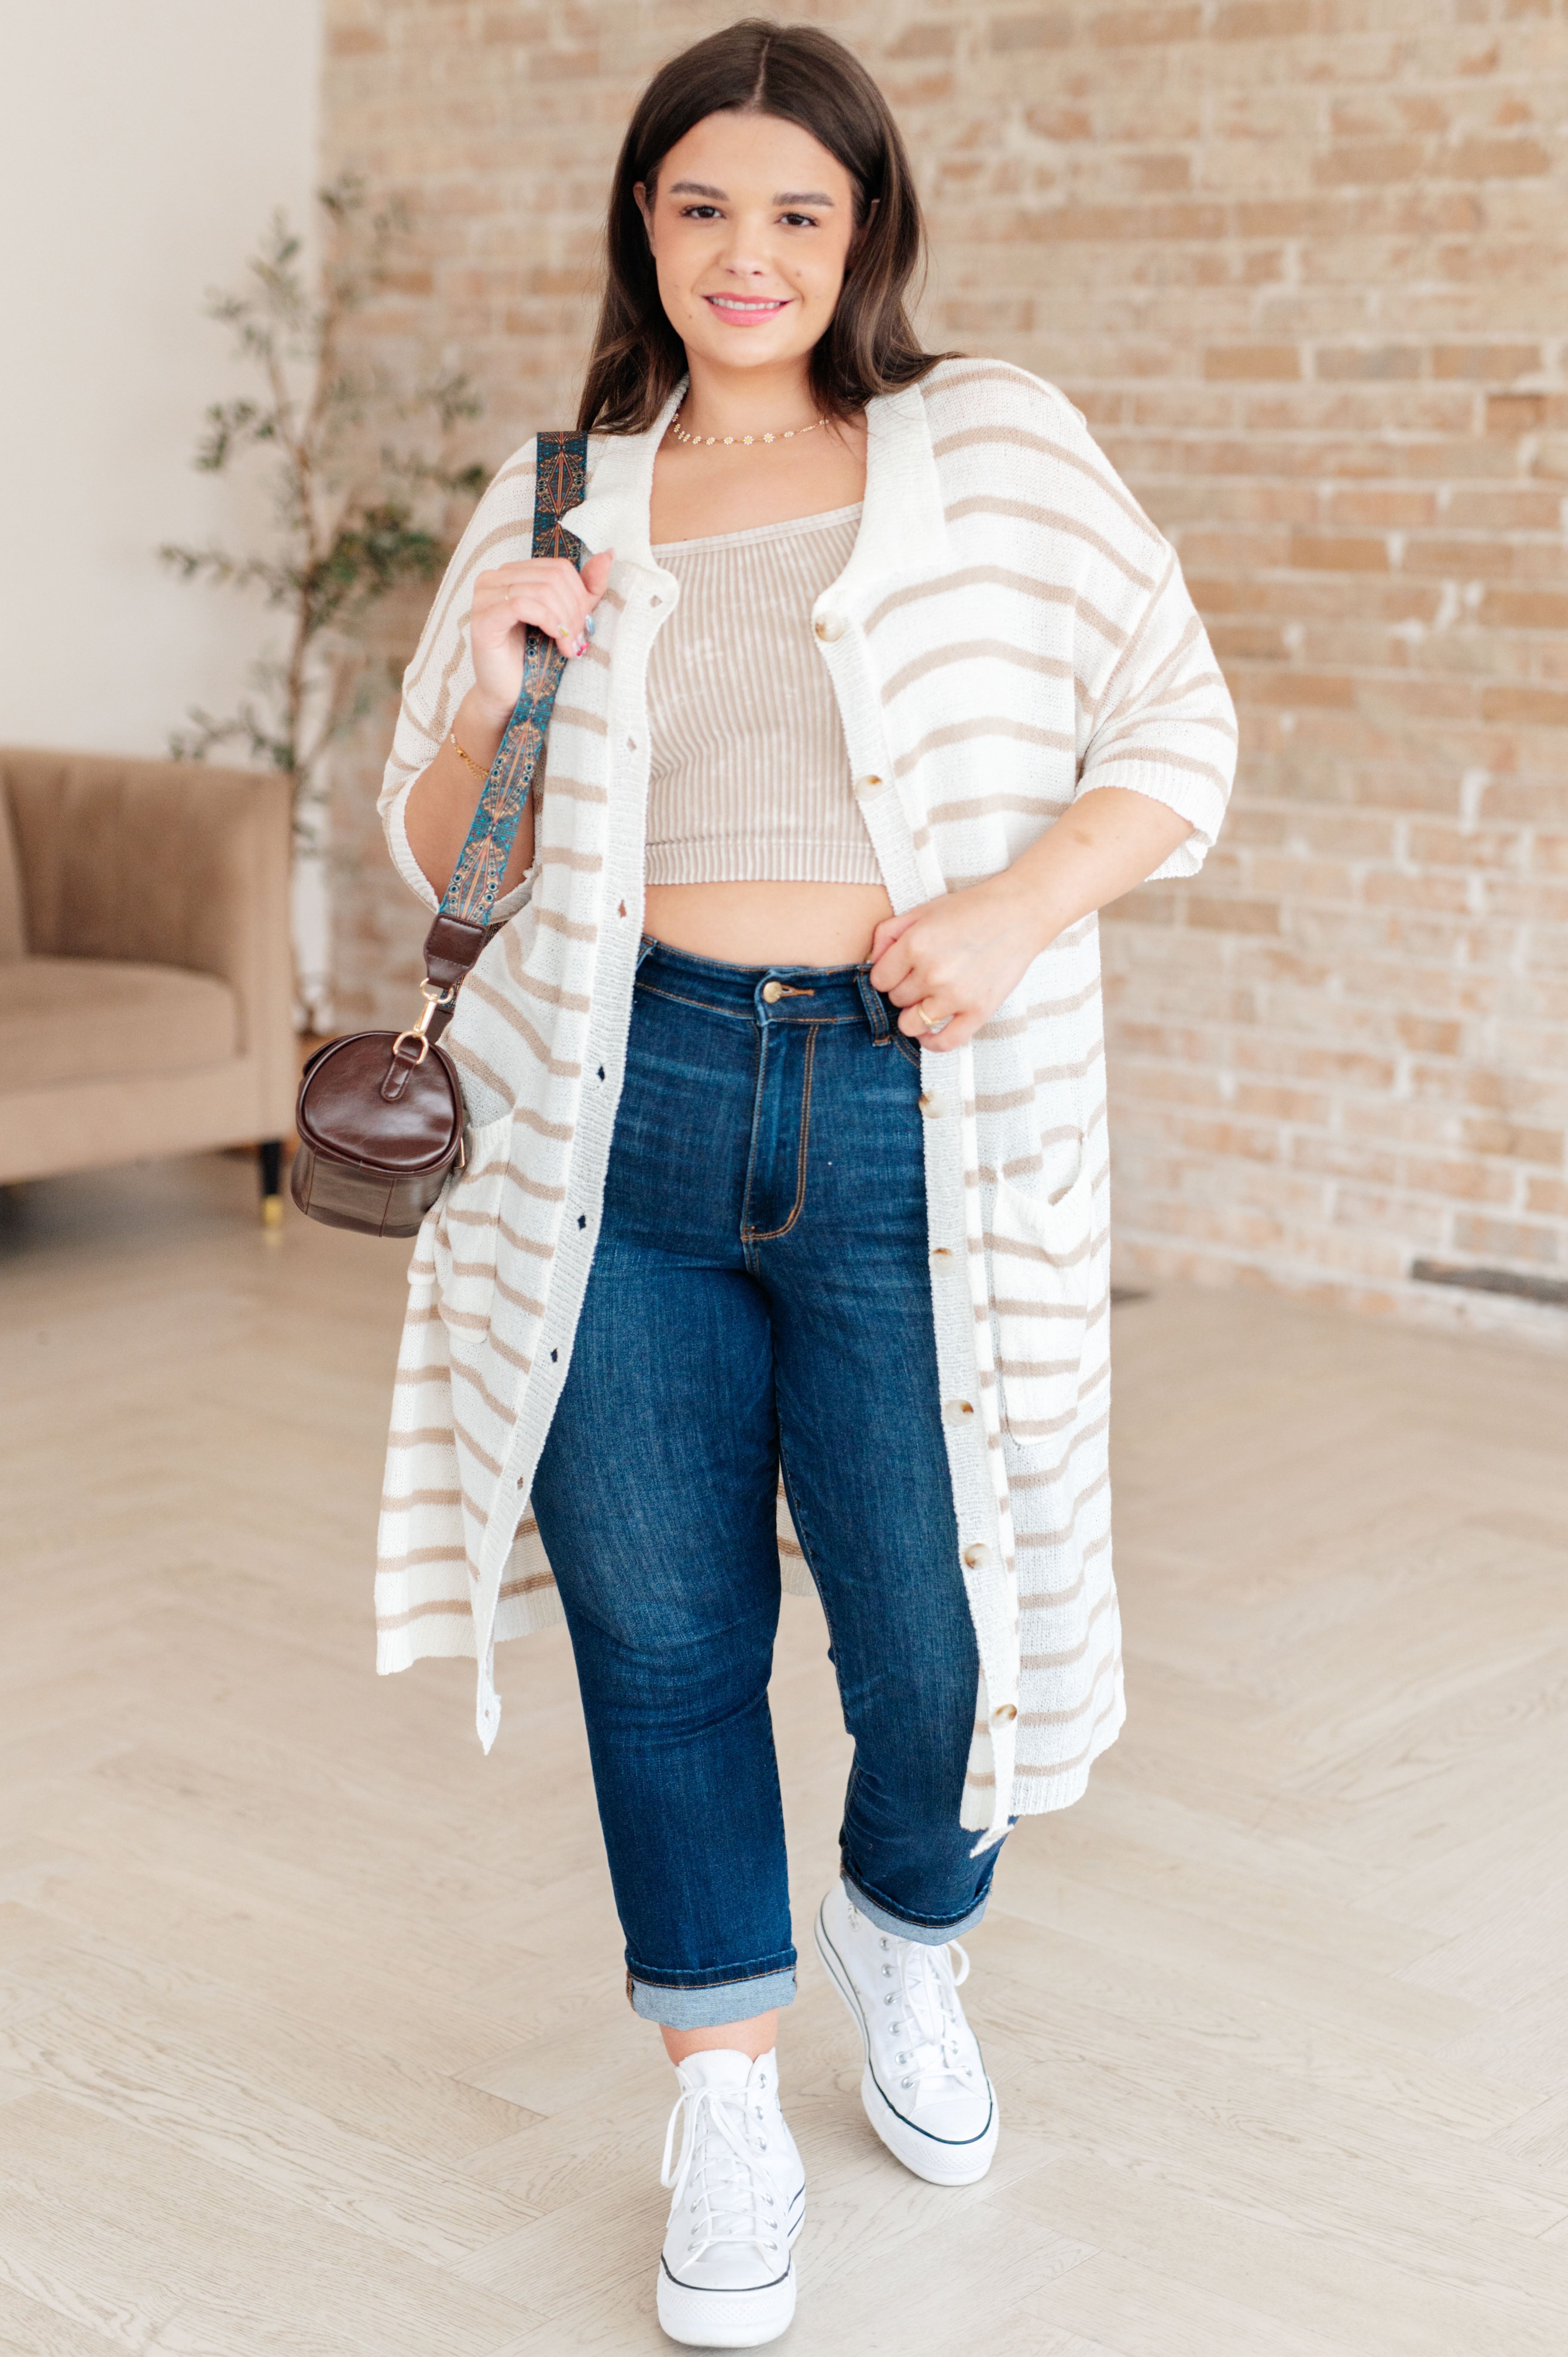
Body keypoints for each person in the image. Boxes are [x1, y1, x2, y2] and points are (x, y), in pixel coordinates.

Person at [374, 18, 1235, 2347]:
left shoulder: (995, 442)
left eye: (795, 211)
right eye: (700, 207)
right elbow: (446, 856)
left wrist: (1015, 909)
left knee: (943, 1637)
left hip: (901, 1112)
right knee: (661, 1637)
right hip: (615, 1115)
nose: (743, 254)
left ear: (864, 234)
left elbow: (1180, 726)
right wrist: (496, 683)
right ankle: (728, 2091)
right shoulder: (560, 490)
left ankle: (904, 1927)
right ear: (642, 228)